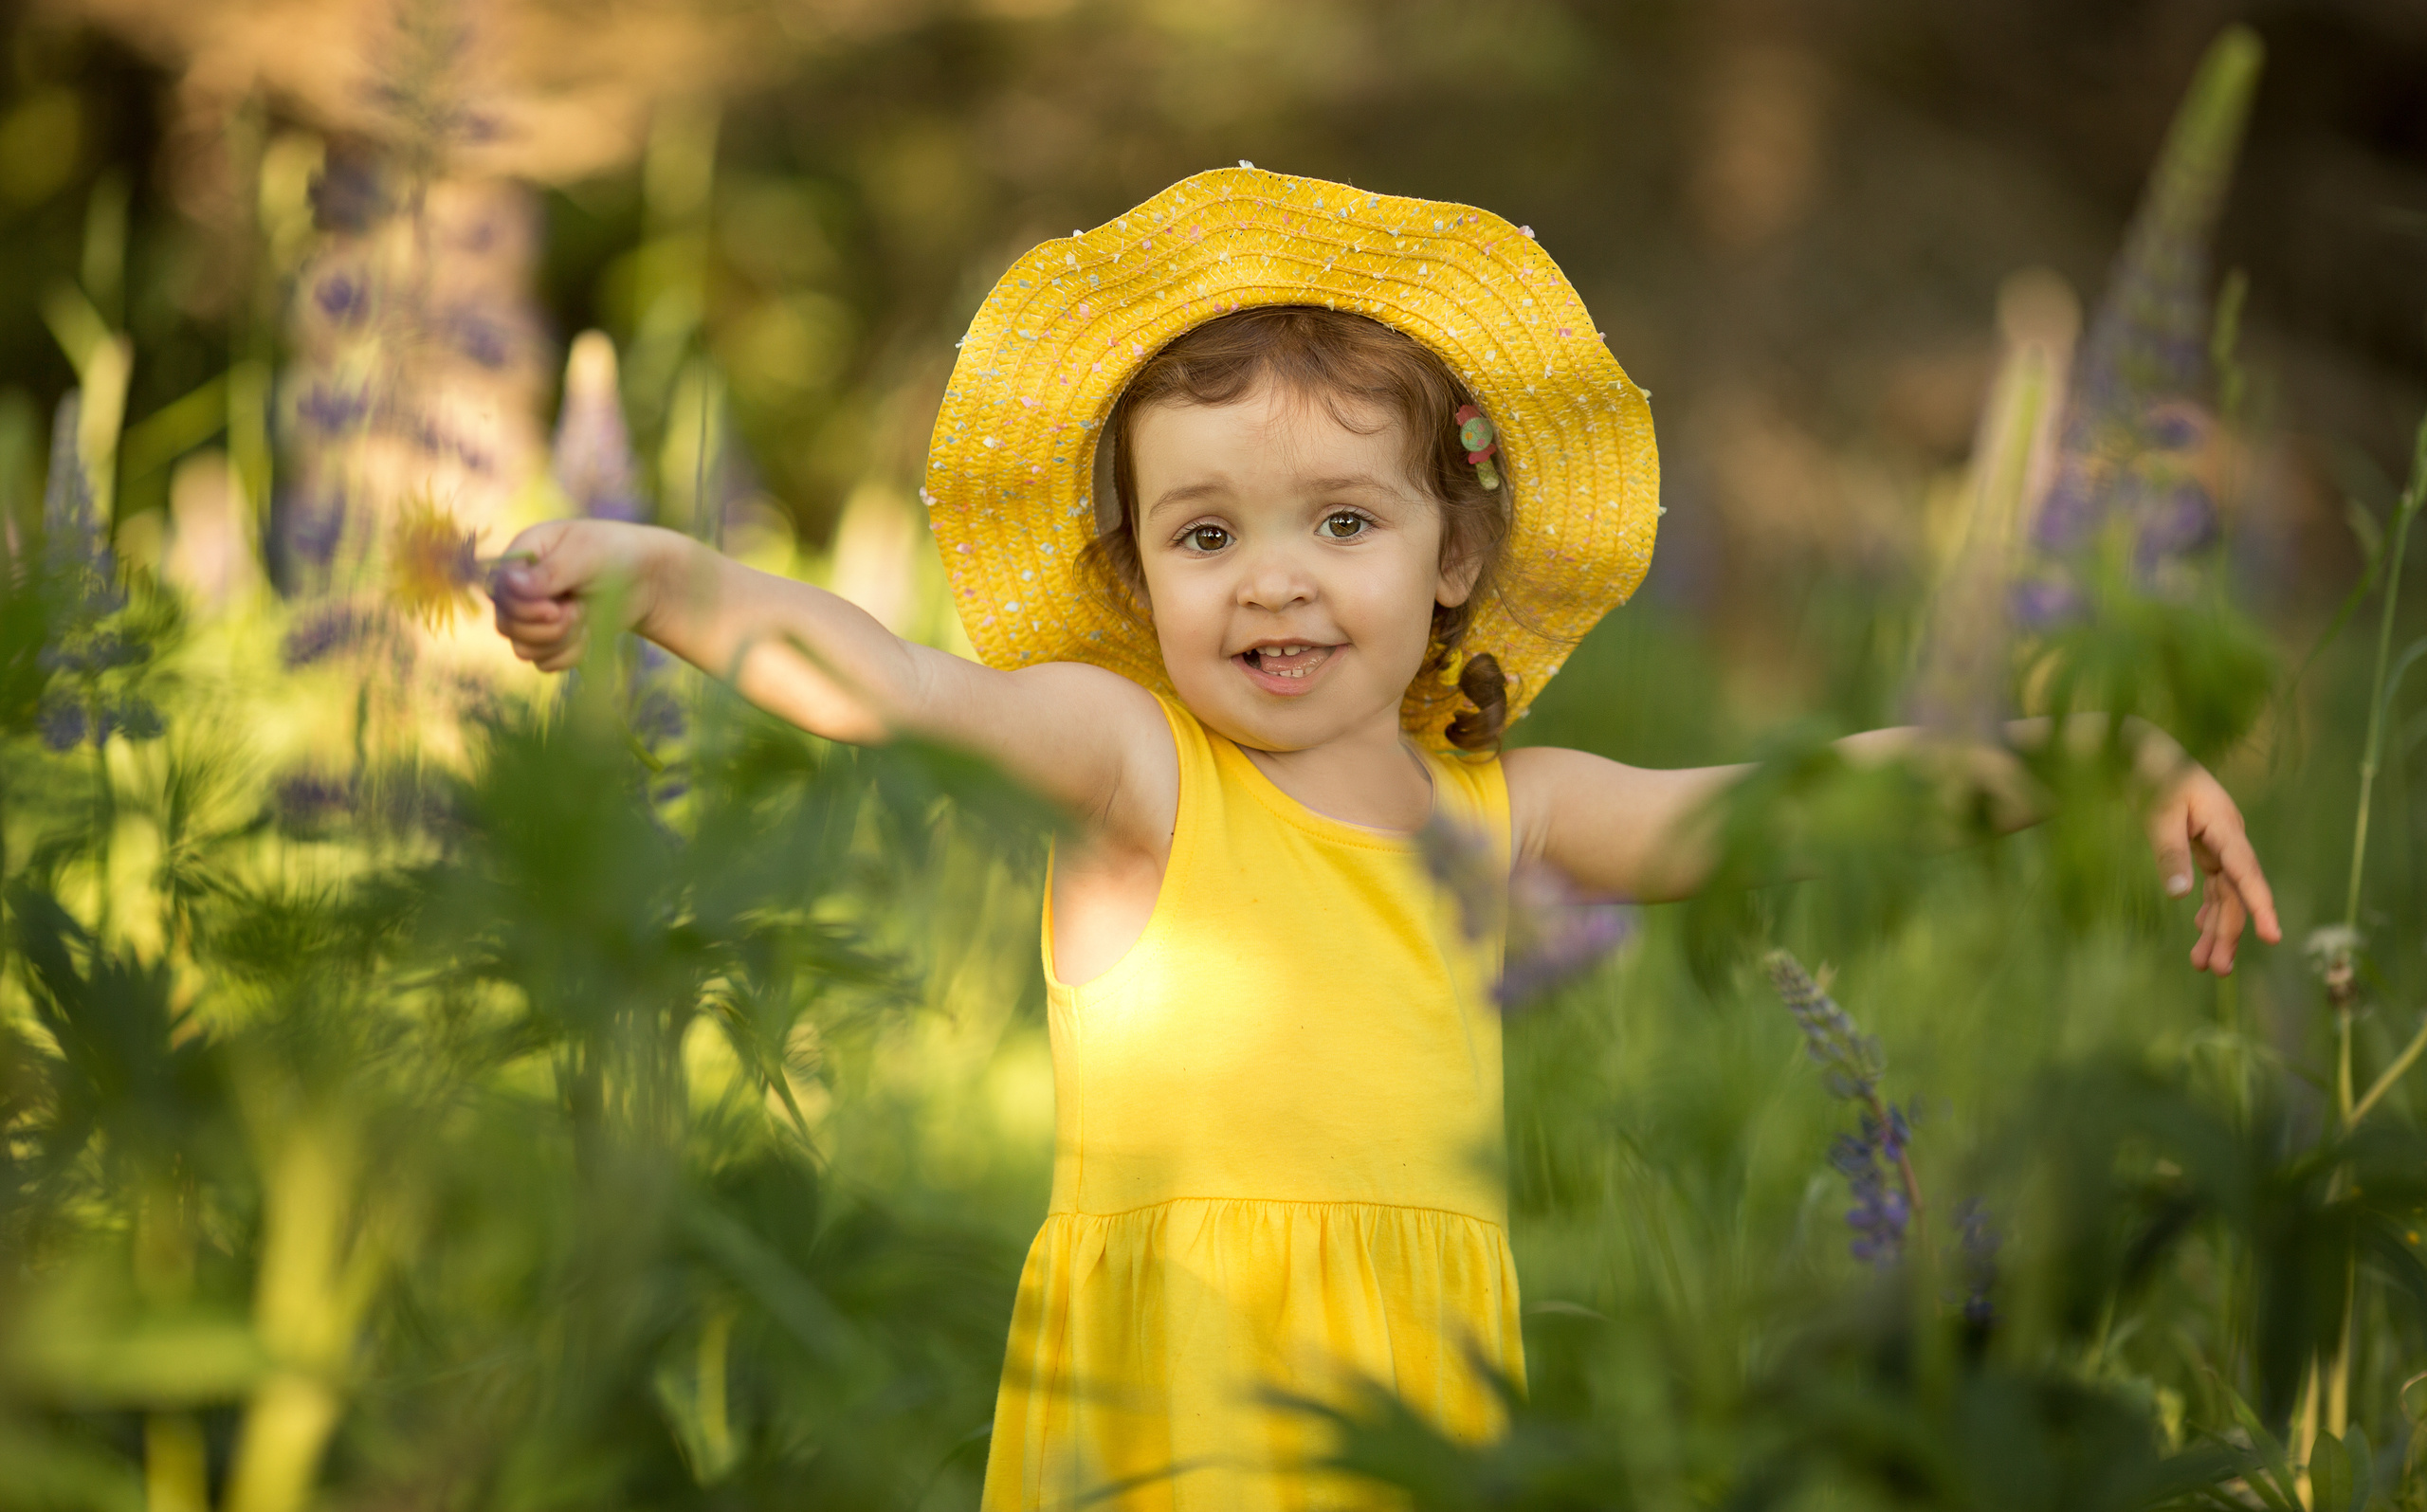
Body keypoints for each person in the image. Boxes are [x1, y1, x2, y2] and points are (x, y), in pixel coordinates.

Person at [491, 166, 2279, 1510]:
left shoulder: (1509, 813)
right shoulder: (1139, 768)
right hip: (1179, 1411)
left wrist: (2089, 755)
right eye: (1203, 535)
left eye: (1341, 518)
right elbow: (889, 686)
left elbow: (1793, 809)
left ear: (1451, 560)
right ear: (1137, 580)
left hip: (1419, 1401)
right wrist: (665, 576)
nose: (1270, 575)